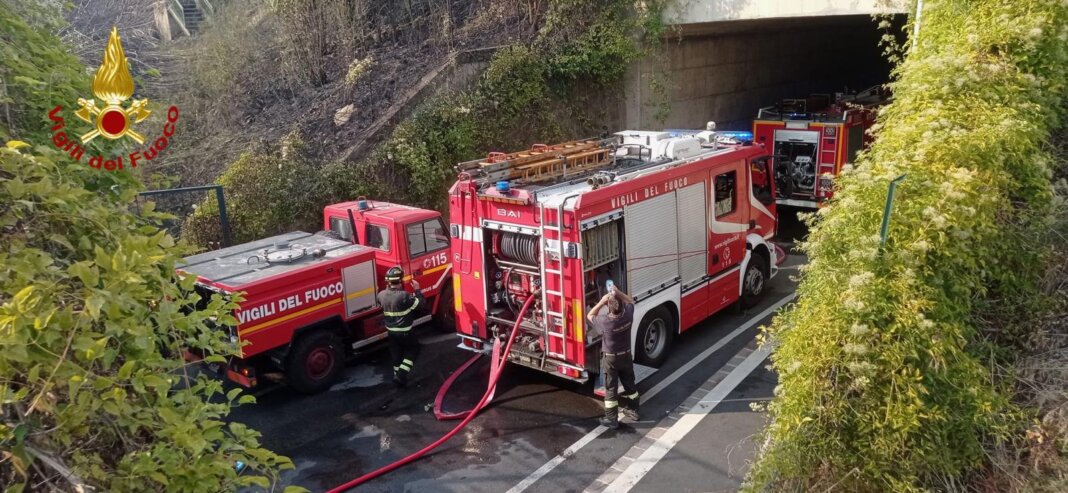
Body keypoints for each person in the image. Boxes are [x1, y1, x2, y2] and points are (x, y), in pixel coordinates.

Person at [587, 288, 639, 429]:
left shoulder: (605, 322)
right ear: (622, 307)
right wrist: (617, 292)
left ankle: (611, 419)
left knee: (611, 388)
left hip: (611, 359)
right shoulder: (628, 315)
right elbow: (630, 301)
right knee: (630, 384)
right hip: (626, 356)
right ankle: (633, 411)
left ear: (609, 309)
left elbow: (590, 315)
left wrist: (602, 301)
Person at [378, 266, 425, 388]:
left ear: (388, 282)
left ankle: (398, 377)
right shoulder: (404, 296)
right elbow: (421, 305)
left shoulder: (381, 295)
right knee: (414, 349)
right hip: (405, 332)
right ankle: (401, 375)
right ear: (400, 281)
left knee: (396, 355)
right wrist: (417, 289)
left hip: (391, 333)